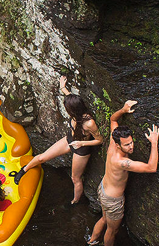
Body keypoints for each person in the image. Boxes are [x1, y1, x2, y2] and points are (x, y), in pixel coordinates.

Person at [87, 100, 159, 246]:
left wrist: (123, 109)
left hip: (103, 189)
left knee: (104, 219)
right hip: (113, 200)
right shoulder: (122, 162)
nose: (131, 147)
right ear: (119, 146)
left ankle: (91, 242)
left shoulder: (114, 140)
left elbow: (113, 120)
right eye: (127, 145)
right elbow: (151, 167)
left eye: (131, 142)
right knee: (112, 230)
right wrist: (154, 143)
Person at [13, 76, 103, 204]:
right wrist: (62, 86)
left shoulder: (89, 123)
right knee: (41, 158)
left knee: (75, 178)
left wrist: (81, 143)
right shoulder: (74, 103)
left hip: (81, 149)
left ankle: (75, 201)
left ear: (73, 110)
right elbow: (69, 96)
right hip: (69, 140)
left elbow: (100, 140)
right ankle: (24, 170)